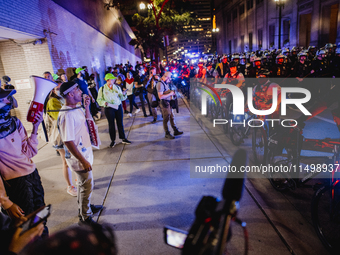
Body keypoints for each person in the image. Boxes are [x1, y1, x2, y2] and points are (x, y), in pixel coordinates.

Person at [0, 88, 48, 236]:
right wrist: (5, 202)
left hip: (32, 175)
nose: (10, 102)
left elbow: (29, 152)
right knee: (25, 225)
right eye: (5, 99)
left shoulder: (14, 122)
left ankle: (44, 243)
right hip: (15, 183)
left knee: (41, 216)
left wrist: (35, 128)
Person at [58, 81, 103, 225]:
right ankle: (85, 217)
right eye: (77, 89)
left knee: (84, 185)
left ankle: (86, 208)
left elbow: (86, 121)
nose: (80, 91)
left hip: (84, 153)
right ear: (70, 94)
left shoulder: (75, 108)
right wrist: (82, 160)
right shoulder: (66, 115)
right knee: (86, 186)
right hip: (79, 158)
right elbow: (68, 141)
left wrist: (87, 107)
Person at [46, 79, 77, 197]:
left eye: (61, 89)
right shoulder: (53, 101)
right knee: (66, 162)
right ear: (53, 90)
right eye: (57, 89)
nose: (59, 91)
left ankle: (76, 180)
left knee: (73, 160)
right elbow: (61, 118)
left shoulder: (61, 99)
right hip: (60, 137)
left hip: (67, 134)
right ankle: (70, 186)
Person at [97, 73, 131, 148]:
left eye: (114, 79)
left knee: (120, 123)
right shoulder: (102, 89)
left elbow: (122, 98)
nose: (114, 80)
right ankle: (113, 140)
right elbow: (99, 100)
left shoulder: (117, 87)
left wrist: (124, 94)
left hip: (118, 107)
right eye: (112, 79)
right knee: (111, 124)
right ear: (107, 80)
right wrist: (104, 103)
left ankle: (123, 138)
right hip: (109, 108)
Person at [156, 72, 183, 139]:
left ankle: (175, 130)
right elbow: (160, 97)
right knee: (166, 118)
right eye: (170, 78)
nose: (170, 80)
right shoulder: (160, 84)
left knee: (172, 117)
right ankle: (167, 133)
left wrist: (172, 92)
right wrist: (170, 93)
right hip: (164, 103)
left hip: (168, 102)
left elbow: (167, 91)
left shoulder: (165, 82)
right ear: (166, 77)